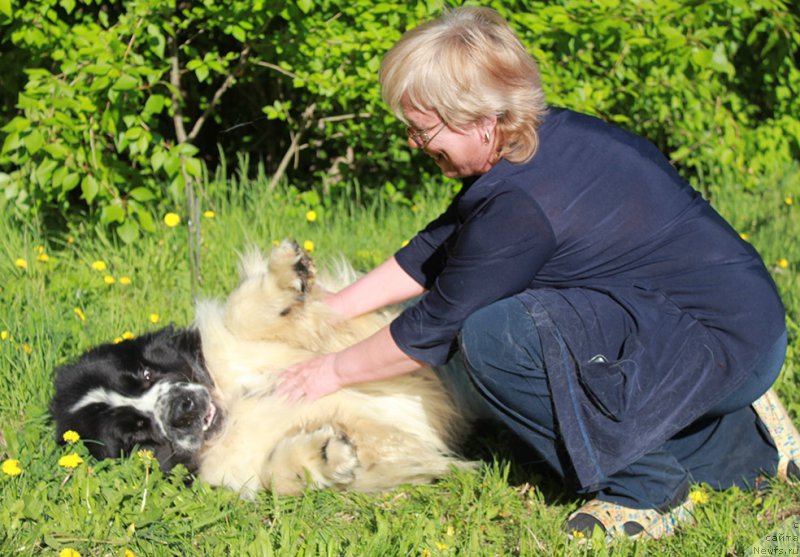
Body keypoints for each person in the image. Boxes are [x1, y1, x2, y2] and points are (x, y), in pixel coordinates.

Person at [277, 6, 799, 541]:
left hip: (718, 343)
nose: (414, 145)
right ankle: (748, 435)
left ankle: (647, 488)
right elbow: (441, 244)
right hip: (744, 324)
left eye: (420, 130)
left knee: (493, 339)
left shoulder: (521, 207)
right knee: (523, 323)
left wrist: (329, 372)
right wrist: (336, 308)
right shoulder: (542, 140)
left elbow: (431, 327)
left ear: (481, 121)